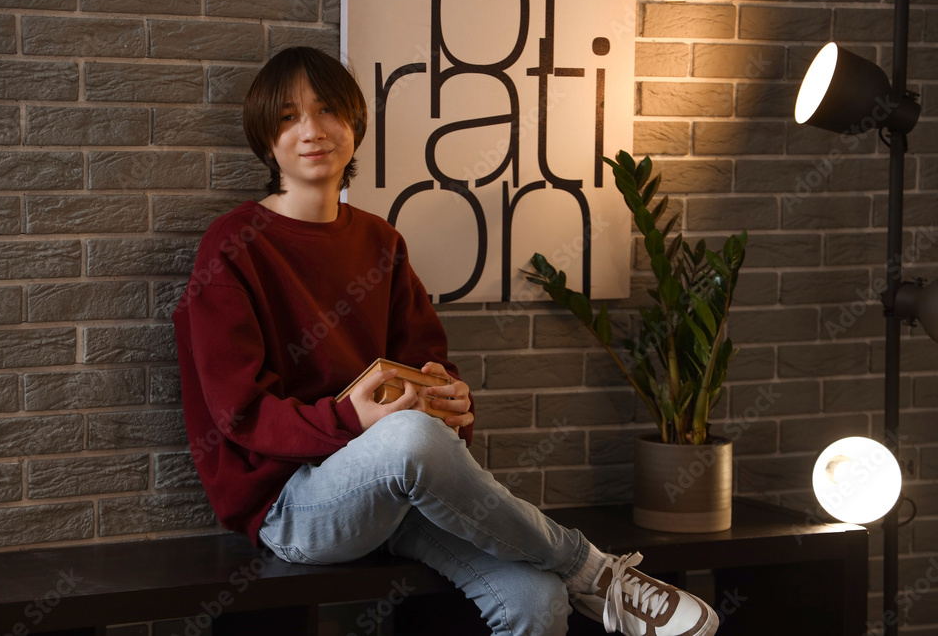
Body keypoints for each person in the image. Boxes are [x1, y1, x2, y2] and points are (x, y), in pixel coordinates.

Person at [172, 46, 718, 636]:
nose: (312, 130)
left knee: (535, 600)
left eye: (328, 110)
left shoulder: (381, 243)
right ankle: (595, 570)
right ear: (265, 138)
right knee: (409, 436)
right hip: (294, 507)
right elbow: (239, 413)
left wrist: (452, 401)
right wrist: (347, 419)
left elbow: (428, 370)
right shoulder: (233, 245)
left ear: (353, 123)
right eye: (287, 116)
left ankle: (576, 579)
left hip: (400, 493)